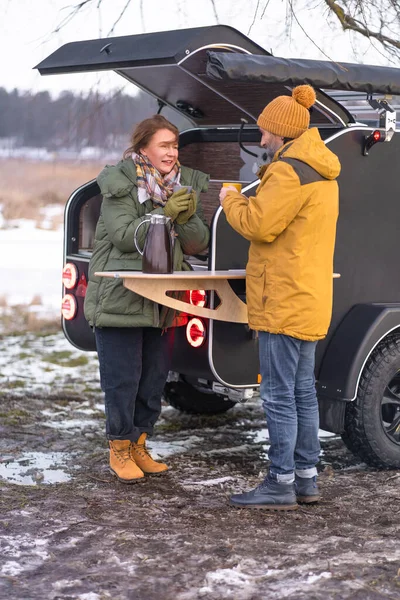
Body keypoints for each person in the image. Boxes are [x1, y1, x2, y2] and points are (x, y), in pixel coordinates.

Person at [219, 85, 341, 510]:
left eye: (265, 132)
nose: (260, 139)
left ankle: (279, 482)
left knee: (277, 394)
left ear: (282, 132)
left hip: (283, 301)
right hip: (308, 296)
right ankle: (306, 479)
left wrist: (232, 198)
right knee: (303, 391)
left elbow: (259, 224)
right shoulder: (321, 170)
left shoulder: (289, 171)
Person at [84, 115, 210, 483]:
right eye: (163, 145)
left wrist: (184, 218)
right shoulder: (119, 185)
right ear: (143, 149)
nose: (171, 152)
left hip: (161, 302)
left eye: (174, 145)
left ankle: (139, 444)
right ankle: (118, 448)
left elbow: (197, 243)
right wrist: (162, 214)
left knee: (153, 380)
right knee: (123, 380)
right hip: (120, 298)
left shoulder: (180, 186)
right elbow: (125, 237)